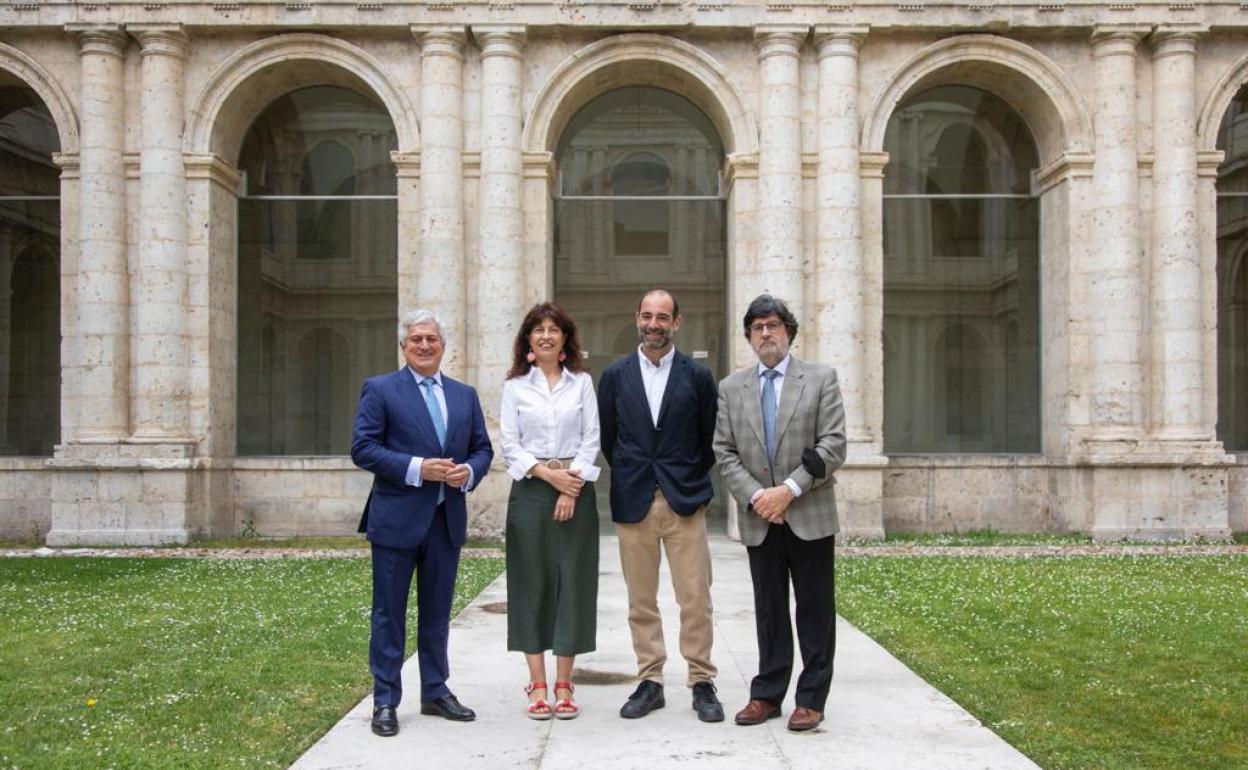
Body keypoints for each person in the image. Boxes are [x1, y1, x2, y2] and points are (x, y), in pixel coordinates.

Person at [351, 309, 494, 737]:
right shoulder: (380, 390)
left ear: (443, 345)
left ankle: (435, 691)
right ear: (404, 346)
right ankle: (384, 701)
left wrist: (468, 472)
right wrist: (417, 467)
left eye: (432, 339)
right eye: (416, 339)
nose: (425, 345)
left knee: (437, 615)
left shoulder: (464, 395)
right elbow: (363, 448)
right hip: (396, 520)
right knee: (388, 615)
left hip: (445, 520)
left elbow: (482, 449)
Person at [712, 294, 846, 733]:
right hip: (760, 518)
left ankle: (811, 698)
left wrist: (787, 492)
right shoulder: (732, 388)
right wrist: (758, 498)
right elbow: (724, 451)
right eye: (757, 328)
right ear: (749, 338)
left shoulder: (821, 379)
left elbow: (833, 445)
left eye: (772, 325)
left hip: (808, 513)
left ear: (788, 331)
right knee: (768, 609)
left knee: (814, 609)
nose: (765, 333)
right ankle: (767, 694)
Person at [597, 288, 724, 723]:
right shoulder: (614, 375)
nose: (654, 324)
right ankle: (650, 681)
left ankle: (702, 680)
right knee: (641, 600)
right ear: (637, 318)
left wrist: (680, 476)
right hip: (634, 501)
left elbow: (709, 441)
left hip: (684, 501)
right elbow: (609, 440)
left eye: (662, 317)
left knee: (695, 598)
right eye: (647, 316)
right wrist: (639, 475)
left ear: (677, 323)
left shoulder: (697, 376)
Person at [499, 303, 601, 720]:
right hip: (530, 494)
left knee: (572, 585)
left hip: (576, 493)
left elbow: (592, 438)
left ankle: (564, 682)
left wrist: (570, 486)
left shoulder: (582, 384)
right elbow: (510, 445)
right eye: (537, 330)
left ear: (564, 339)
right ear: (527, 340)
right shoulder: (514, 388)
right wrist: (549, 477)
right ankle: (538, 683)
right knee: (531, 585)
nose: (545, 335)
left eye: (553, 329)